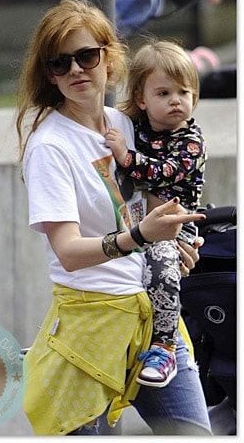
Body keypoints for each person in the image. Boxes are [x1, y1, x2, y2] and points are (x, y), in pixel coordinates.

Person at [15, 0, 210, 435]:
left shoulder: (127, 124)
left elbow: (154, 198)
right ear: (48, 73)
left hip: (153, 319)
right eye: (59, 63)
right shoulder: (50, 148)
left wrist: (174, 243)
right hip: (90, 328)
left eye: (86, 56)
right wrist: (141, 236)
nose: (76, 70)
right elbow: (67, 252)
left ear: (109, 57)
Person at [106, 41, 205, 389]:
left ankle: (164, 346)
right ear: (142, 99)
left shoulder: (191, 141)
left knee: (163, 264)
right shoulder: (136, 126)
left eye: (184, 91)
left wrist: (126, 156)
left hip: (176, 228)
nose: (176, 100)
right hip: (138, 225)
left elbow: (162, 172)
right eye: (164, 92)